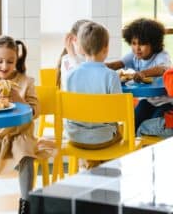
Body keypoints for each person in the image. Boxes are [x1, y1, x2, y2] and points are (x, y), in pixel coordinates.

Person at [0, 36, 55, 214]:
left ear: (17, 60)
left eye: (10, 62)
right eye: (0, 61)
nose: (4, 66)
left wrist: (19, 99)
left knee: (26, 155)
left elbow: (35, 112)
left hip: (20, 136)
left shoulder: (27, 82)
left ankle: (26, 204)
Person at [106, 18, 172, 130]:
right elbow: (116, 64)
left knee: (154, 125)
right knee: (133, 123)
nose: (137, 48)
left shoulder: (162, 55)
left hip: (166, 103)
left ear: (153, 43)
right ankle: (136, 144)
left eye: (142, 44)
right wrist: (97, 66)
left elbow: (162, 69)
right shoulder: (133, 56)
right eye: (134, 43)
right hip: (147, 101)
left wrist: (143, 73)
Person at [65, 21, 122, 150]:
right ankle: (100, 166)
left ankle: (91, 164)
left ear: (80, 49)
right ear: (106, 48)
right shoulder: (111, 76)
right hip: (103, 138)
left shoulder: (70, 75)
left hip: (75, 137)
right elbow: (118, 114)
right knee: (119, 132)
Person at [56, 19, 90, 89]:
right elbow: (76, 83)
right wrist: (72, 55)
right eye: (88, 39)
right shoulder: (67, 60)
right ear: (74, 39)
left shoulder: (90, 57)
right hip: (72, 99)